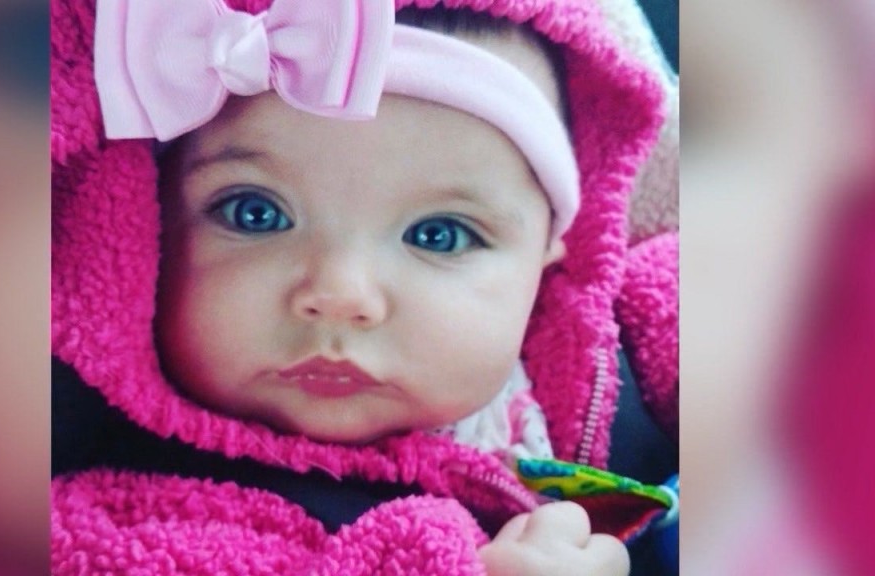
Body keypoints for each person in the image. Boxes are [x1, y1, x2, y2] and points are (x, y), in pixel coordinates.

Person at [51, 0, 675, 573]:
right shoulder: (116, 518)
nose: (340, 295)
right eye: (254, 214)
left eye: (439, 235)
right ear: (145, 230)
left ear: (547, 256)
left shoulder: (638, 339)